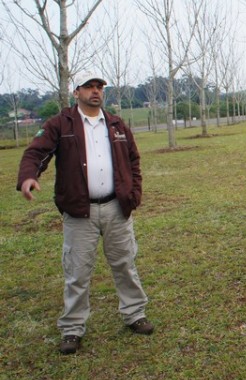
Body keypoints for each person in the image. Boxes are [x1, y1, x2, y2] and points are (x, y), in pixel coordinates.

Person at [16, 71, 153, 355]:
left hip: (117, 208)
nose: (95, 91)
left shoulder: (116, 124)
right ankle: (72, 328)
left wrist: (133, 193)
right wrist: (29, 176)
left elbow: (134, 161)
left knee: (125, 264)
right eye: (89, 86)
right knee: (77, 272)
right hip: (80, 211)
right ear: (76, 92)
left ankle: (134, 314)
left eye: (99, 87)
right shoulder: (60, 124)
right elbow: (35, 152)